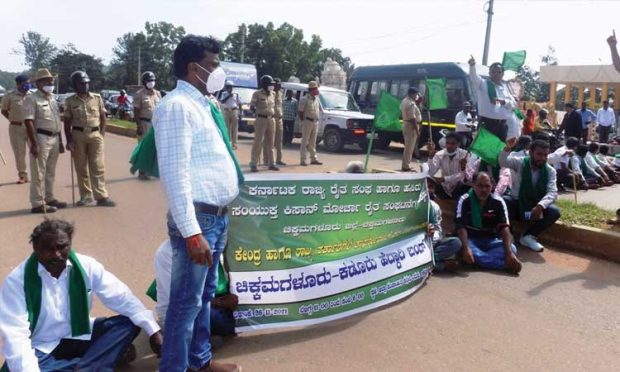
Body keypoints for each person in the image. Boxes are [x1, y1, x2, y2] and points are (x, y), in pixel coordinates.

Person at [152, 34, 243, 372]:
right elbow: (175, 176)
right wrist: (192, 233)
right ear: (194, 68)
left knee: (202, 298)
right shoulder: (176, 106)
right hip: (199, 220)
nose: (218, 72)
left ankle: (199, 362)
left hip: (215, 219)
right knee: (184, 305)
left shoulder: (202, 104)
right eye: (213, 66)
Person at [0, 219, 163, 371]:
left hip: (80, 334)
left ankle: (87, 365)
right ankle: (98, 362)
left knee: (128, 322)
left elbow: (121, 297)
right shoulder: (17, 281)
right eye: (49, 249)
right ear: (35, 248)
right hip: (41, 347)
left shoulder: (86, 266)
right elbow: (16, 335)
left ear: (69, 244)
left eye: (62, 247)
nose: (57, 254)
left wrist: (154, 331)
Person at [152, 241, 237, 336]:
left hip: (208, 299)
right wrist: (219, 303)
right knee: (216, 320)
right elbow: (178, 300)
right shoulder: (167, 252)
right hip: (179, 312)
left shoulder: (215, 241)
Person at [63, 71, 116, 207]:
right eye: (81, 83)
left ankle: (101, 196)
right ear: (75, 85)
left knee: (98, 166)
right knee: (81, 167)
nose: (85, 85)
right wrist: (68, 140)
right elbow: (67, 122)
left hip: (95, 135)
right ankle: (85, 196)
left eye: (86, 83)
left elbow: (103, 117)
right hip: (78, 136)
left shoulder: (97, 98)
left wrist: (101, 134)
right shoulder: (70, 101)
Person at [499, 139, 560, 252]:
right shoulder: (520, 163)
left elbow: (552, 192)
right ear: (531, 152)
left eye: (545, 155)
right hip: (518, 204)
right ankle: (509, 235)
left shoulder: (550, 171)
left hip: (534, 209)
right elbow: (503, 161)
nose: (542, 158)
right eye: (539, 154)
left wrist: (540, 206)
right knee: (504, 201)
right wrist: (507, 148)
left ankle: (528, 236)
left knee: (554, 211)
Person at [455, 172, 522, 274]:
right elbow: (461, 226)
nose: (484, 190)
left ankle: (477, 261)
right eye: (480, 186)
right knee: (462, 246)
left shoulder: (498, 202)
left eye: (487, 186)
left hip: (490, 240)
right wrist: (466, 248)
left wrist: (508, 254)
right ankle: (503, 265)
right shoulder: (464, 200)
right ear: (473, 185)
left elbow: (504, 228)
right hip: (470, 240)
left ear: (492, 186)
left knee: (512, 249)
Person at [23, 68, 67, 214]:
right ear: (39, 83)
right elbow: (28, 121)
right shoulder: (32, 98)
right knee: (38, 172)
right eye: (48, 80)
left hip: (54, 137)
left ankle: (49, 198)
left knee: (50, 171)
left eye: (52, 80)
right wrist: (34, 143)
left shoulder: (52, 98)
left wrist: (60, 142)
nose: (51, 82)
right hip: (40, 138)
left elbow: (57, 121)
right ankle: (37, 203)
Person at [468, 56, 517, 141]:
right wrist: (472, 66)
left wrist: (504, 102)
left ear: (502, 74)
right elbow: (473, 77)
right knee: (485, 151)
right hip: (487, 123)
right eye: (493, 72)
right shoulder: (483, 83)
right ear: (489, 73)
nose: (496, 74)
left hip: (502, 124)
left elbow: (514, 104)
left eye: (499, 72)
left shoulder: (506, 88)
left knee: (498, 151)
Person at [426, 178, 462, 272]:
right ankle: (438, 265)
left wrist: (432, 235)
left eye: (430, 187)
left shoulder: (434, 207)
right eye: (425, 186)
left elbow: (438, 231)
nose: (427, 189)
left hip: (430, 245)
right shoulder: (408, 206)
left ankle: (428, 261)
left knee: (456, 242)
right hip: (413, 246)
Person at [1, 74, 32, 184]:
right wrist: (12, 119)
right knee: (19, 153)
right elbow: (4, 110)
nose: (28, 85)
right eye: (25, 83)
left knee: (35, 150)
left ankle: (37, 173)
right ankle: (23, 175)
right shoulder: (9, 96)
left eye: (29, 82)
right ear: (18, 84)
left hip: (31, 127)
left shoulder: (32, 95)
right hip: (16, 127)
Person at [425, 132, 470, 199]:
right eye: (447, 143)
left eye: (452, 143)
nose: (449, 146)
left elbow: (463, 175)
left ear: (458, 144)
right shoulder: (440, 154)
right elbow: (431, 172)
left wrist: (444, 179)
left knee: (462, 185)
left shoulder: (464, 155)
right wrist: (431, 156)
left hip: (458, 187)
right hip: (445, 187)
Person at [249, 75, 279, 172]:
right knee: (258, 142)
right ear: (265, 84)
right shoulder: (257, 94)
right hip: (261, 120)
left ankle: (271, 163)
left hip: (271, 119)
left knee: (271, 143)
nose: (272, 86)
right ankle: (253, 163)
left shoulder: (273, 94)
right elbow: (252, 107)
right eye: (270, 84)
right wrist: (256, 111)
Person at [298, 81, 323, 166]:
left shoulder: (316, 99)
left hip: (315, 122)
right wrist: (303, 121)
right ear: (311, 89)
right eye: (316, 89)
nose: (317, 90)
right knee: (305, 141)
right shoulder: (304, 99)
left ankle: (313, 159)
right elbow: (300, 112)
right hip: (307, 121)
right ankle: (303, 160)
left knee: (313, 142)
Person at [264, 78, 286, 165]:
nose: (280, 86)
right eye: (278, 84)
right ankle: (266, 159)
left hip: (279, 119)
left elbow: (280, 106)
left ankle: (279, 159)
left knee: (279, 140)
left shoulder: (280, 94)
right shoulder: (270, 93)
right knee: (268, 140)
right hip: (272, 118)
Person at [400, 87, 422, 171]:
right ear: (412, 94)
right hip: (411, 126)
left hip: (406, 124)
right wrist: (417, 130)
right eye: (416, 94)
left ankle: (406, 165)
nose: (417, 96)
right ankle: (406, 166)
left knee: (408, 146)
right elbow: (413, 118)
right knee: (409, 147)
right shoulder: (411, 103)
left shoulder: (404, 100)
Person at [219, 80, 241, 150]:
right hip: (226, 111)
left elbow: (239, 103)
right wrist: (228, 96)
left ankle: (234, 144)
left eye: (231, 87)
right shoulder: (224, 94)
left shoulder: (236, 94)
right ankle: (228, 143)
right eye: (228, 87)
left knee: (234, 128)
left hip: (234, 111)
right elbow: (222, 101)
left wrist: (240, 113)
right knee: (227, 128)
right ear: (226, 87)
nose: (230, 88)